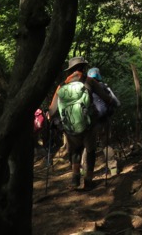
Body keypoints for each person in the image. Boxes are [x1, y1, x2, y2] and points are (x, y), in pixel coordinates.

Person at [48, 56, 117, 190]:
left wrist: (51, 119)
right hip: (89, 125)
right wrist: (110, 103)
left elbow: (51, 110)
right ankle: (88, 180)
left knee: (76, 150)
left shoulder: (61, 86)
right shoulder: (89, 81)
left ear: (70, 70)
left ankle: (75, 179)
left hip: (70, 127)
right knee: (90, 151)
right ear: (83, 68)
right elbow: (106, 98)